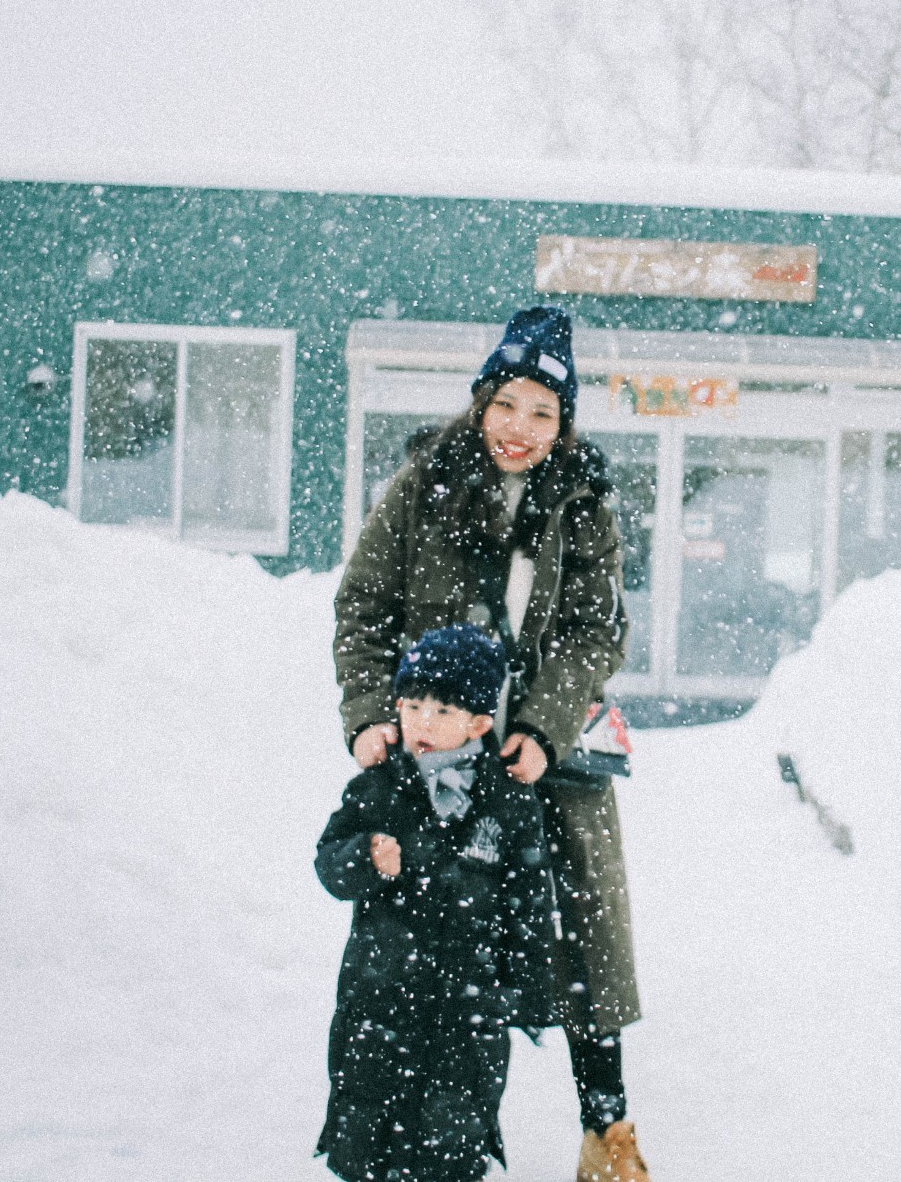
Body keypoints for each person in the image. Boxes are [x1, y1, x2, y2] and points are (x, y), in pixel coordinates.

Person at [335, 305, 652, 1182]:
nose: (521, 428)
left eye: (543, 413)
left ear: (564, 423)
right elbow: (363, 604)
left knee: (584, 932)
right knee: (432, 950)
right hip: (438, 752)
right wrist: (370, 715)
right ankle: (420, 1144)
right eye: (509, 404)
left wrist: (545, 727)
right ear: (482, 402)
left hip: (543, 754)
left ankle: (607, 1131)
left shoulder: (584, 500)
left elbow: (598, 628)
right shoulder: (422, 484)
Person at [313, 623, 558, 1182]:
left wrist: (523, 991)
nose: (423, 720)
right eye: (413, 704)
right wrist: (365, 858)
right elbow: (329, 860)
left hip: (466, 1011)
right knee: (368, 1128)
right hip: (380, 999)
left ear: (478, 722)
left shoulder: (506, 799)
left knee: (453, 1136)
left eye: (442, 710)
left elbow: (529, 901)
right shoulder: (380, 787)